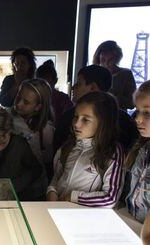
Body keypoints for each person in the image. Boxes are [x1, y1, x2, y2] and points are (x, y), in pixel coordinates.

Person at [46, 92, 124, 208]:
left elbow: (110, 198)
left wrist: (72, 197)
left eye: (85, 120)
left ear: (103, 123)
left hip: (85, 218)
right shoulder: (68, 146)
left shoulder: (111, 152)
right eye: (76, 117)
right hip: (57, 209)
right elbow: (57, 177)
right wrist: (51, 191)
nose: (76, 124)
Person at [53, 65, 138, 153]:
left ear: (93, 87)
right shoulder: (126, 120)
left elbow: (57, 147)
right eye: (76, 117)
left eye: (78, 83)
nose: (73, 87)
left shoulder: (69, 116)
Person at [11, 78, 54, 177]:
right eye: (18, 97)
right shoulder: (8, 117)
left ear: (38, 107)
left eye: (26, 102)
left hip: (33, 179)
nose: (19, 104)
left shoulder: (45, 129)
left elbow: (47, 159)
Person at [124, 81, 150, 223]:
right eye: (138, 111)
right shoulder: (142, 150)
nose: (138, 119)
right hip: (134, 223)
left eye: (147, 112)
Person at [93, 40, 136, 110]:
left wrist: (116, 99)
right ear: (98, 58)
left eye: (110, 60)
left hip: (119, 117)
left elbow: (132, 103)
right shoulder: (93, 74)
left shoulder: (126, 74)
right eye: (103, 60)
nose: (106, 64)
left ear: (117, 58)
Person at [35, 60, 73, 125]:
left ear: (55, 81)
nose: (44, 87)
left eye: (47, 83)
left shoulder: (63, 99)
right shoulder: (34, 98)